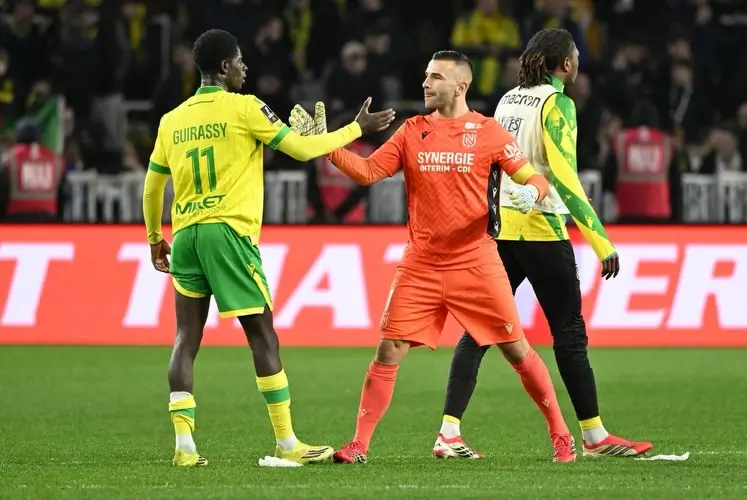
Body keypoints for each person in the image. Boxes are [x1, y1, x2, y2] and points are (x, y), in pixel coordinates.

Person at [290, 50, 577, 464]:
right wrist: (326, 147)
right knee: (388, 351)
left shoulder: (489, 131)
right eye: (425, 75)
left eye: (436, 77)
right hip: (421, 264)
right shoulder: (412, 130)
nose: (425, 83)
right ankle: (358, 445)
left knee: (516, 350)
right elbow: (369, 172)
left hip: (476, 262)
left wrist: (531, 191)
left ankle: (561, 435)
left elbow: (535, 178)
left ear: (461, 86)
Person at [141, 29, 394, 468]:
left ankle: (184, 447)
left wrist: (153, 238)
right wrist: (356, 129)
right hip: (228, 234)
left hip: (185, 236)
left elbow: (151, 187)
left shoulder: (171, 119)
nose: (245, 68)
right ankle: (287, 441)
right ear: (223, 67)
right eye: (239, 61)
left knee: (186, 339)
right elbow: (299, 149)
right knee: (263, 336)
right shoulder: (244, 107)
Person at [433, 28, 652, 460]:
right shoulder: (559, 104)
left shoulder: (507, 100)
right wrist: (600, 240)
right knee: (568, 333)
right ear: (567, 64)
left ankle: (449, 432)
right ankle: (593, 436)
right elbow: (565, 178)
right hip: (540, 227)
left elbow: (494, 163)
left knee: (478, 330)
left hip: (501, 228)